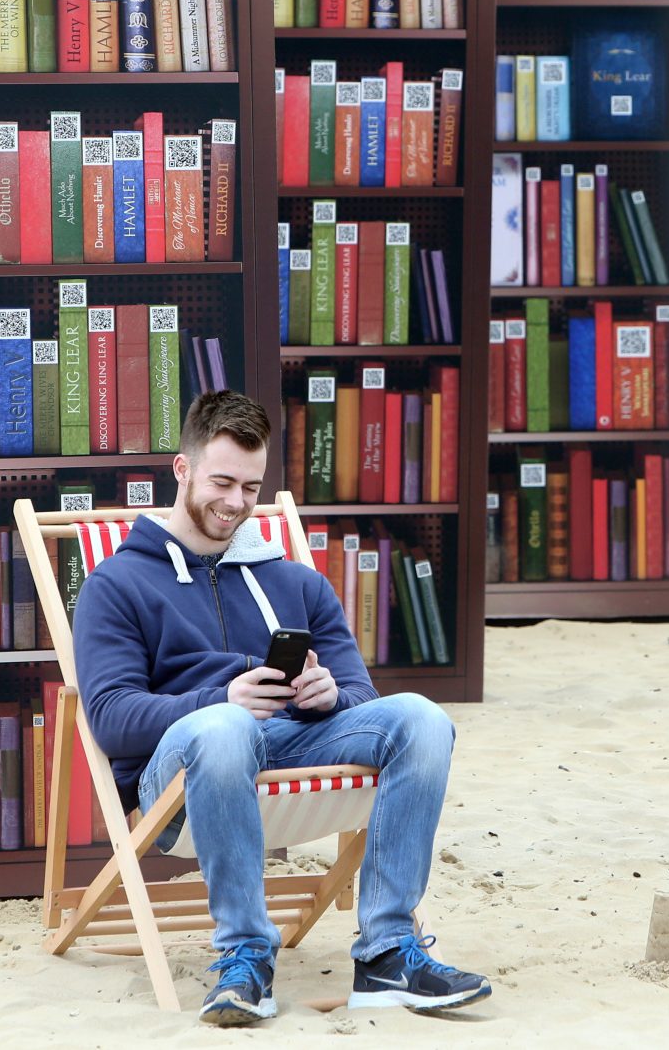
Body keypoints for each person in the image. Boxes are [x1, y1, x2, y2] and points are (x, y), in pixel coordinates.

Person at [75, 391, 491, 1025]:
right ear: (182, 470)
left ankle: (385, 955)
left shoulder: (294, 581)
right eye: (221, 481)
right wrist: (221, 700)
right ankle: (245, 958)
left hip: (292, 747)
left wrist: (331, 697)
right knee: (223, 725)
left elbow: (363, 698)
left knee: (423, 719)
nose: (236, 503)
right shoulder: (117, 585)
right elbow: (110, 716)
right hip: (182, 781)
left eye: (250, 486)